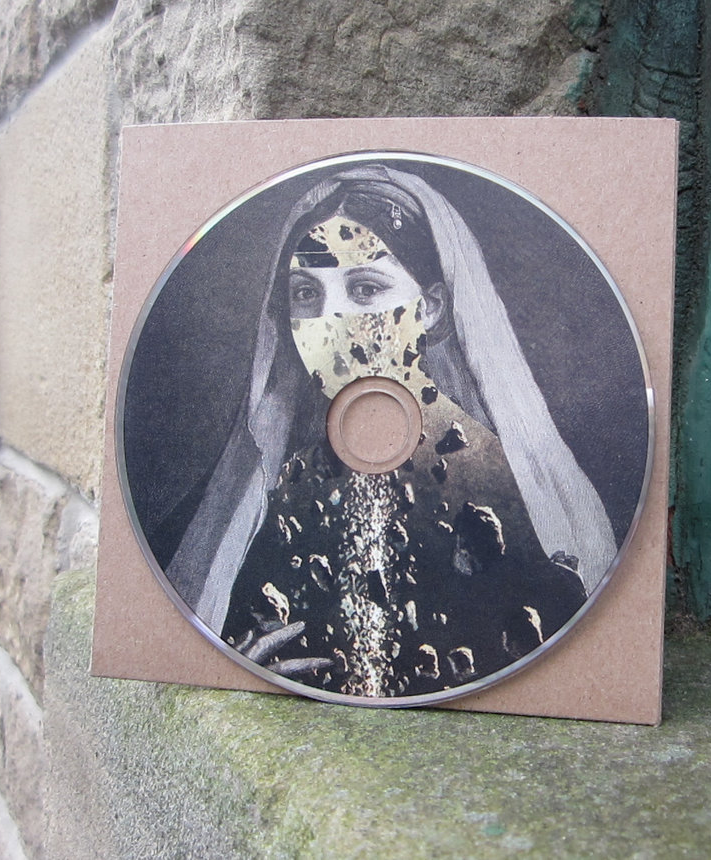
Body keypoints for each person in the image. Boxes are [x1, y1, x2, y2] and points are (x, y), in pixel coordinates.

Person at [164, 161, 620, 700]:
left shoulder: (498, 492)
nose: (329, 324)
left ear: (430, 308)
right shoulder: (267, 487)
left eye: (365, 288)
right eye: (305, 294)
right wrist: (242, 667)